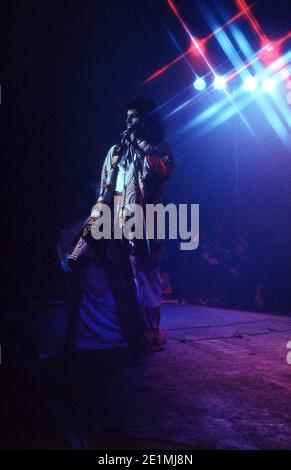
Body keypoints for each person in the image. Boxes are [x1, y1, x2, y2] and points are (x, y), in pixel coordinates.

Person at [67, 98, 174, 354]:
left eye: (134, 115)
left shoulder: (159, 149)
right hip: (116, 224)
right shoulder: (115, 152)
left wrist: (139, 147)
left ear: (147, 120)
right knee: (122, 281)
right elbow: (105, 191)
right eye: (127, 115)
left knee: (146, 280)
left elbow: (161, 174)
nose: (128, 120)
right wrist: (92, 228)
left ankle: (150, 334)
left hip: (147, 223)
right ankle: (130, 334)